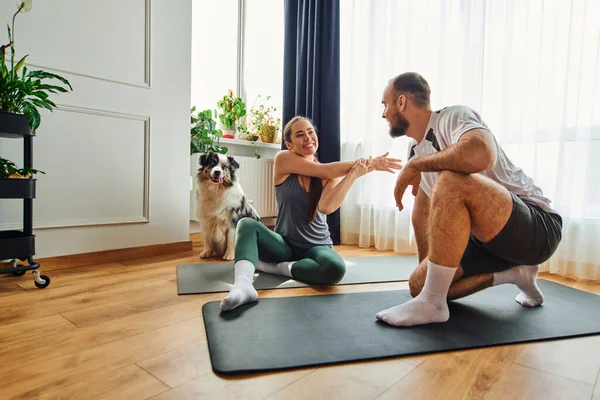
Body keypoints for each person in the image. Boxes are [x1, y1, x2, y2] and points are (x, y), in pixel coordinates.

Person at [376, 72, 563, 327]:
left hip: (537, 228)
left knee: (451, 180)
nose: (383, 114)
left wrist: (416, 165)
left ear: (401, 103)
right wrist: (429, 271)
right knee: (418, 285)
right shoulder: (415, 150)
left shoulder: (453, 116)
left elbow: (482, 154)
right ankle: (514, 275)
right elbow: (422, 213)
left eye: (385, 105)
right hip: (487, 242)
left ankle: (433, 303)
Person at [220, 116, 403, 311]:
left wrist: (354, 174)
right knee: (246, 224)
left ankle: (277, 268)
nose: (308, 137)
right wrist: (372, 163)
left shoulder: (328, 176)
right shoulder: (283, 159)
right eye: (300, 135)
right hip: (285, 245)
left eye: (311, 132)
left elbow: (326, 207)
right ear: (289, 145)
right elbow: (324, 170)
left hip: (317, 246)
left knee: (335, 269)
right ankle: (243, 285)